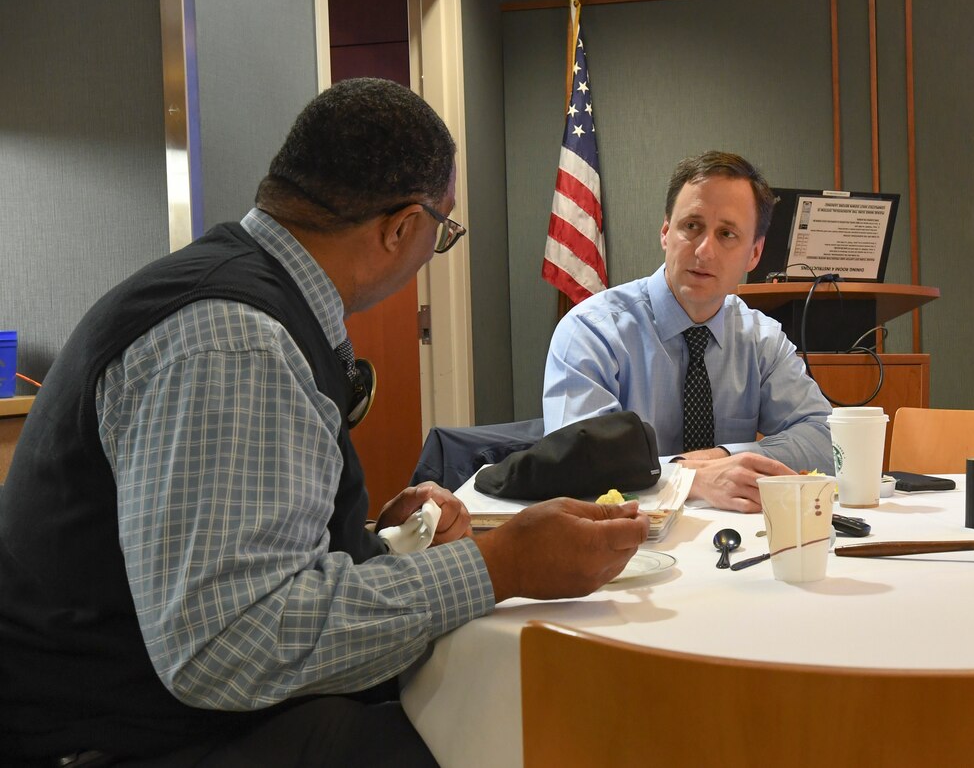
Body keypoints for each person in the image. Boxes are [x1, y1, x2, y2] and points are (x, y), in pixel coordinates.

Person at [0, 78, 649, 767]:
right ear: (402, 227)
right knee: (495, 735)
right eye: (443, 229)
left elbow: (240, 563)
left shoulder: (241, 302)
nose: (435, 245)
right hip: (103, 738)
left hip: (145, 707)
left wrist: (388, 545)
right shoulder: (234, 344)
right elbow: (227, 646)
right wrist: (497, 564)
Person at [543, 151, 833, 513]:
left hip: (739, 544)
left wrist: (727, 456)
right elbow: (576, 464)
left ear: (754, 254)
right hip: (627, 546)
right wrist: (690, 479)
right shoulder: (592, 332)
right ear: (666, 232)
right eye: (691, 226)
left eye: (727, 234)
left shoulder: (762, 340)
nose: (705, 250)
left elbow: (826, 439)